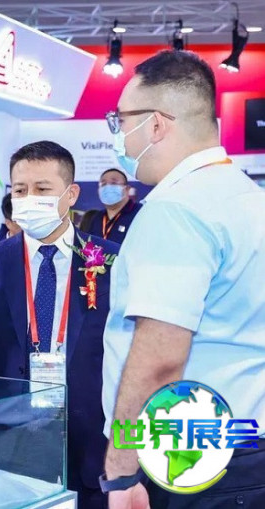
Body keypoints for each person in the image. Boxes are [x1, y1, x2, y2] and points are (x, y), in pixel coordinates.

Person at [101, 50, 265, 509]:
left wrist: (121, 470)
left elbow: (160, 358)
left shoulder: (177, 209)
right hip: (244, 450)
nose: (119, 136)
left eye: (120, 121)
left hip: (192, 460)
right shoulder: (246, 197)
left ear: (155, 124)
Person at [0, 141, 119, 509]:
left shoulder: (110, 259)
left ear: (71, 194)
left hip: (91, 421)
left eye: (42, 189)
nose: (29, 198)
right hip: (16, 422)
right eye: (20, 190)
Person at [84, 168, 142, 244]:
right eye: (103, 184)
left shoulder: (140, 213)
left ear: (127, 189)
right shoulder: (97, 218)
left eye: (114, 183)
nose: (108, 187)